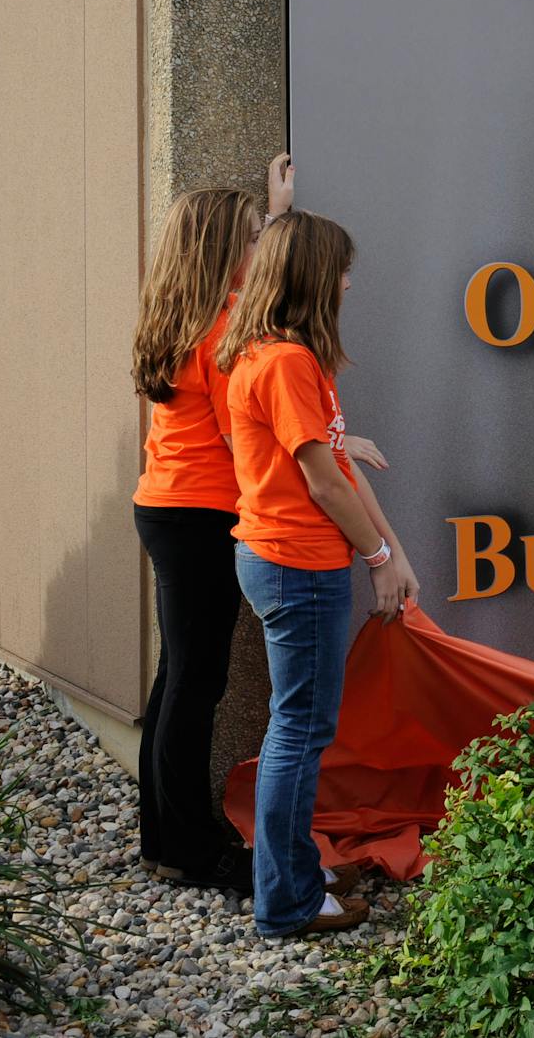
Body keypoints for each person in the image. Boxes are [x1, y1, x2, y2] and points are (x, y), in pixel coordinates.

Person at [218, 210, 420, 937]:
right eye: (339, 269)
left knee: (297, 728)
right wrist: (378, 560)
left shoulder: (282, 355)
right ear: (309, 278)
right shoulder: (286, 362)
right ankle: (288, 901)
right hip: (299, 565)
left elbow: (331, 459)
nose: (346, 281)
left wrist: (389, 550)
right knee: (299, 732)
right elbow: (325, 482)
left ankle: (293, 869)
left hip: (287, 560)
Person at [130, 157, 291, 893]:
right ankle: (193, 849)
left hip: (167, 506)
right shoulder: (224, 328)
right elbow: (246, 435)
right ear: (225, 250)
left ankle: (165, 836)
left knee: (178, 679)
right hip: (200, 515)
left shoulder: (179, 315)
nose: (261, 249)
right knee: (197, 682)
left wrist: (280, 216)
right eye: (254, 237)